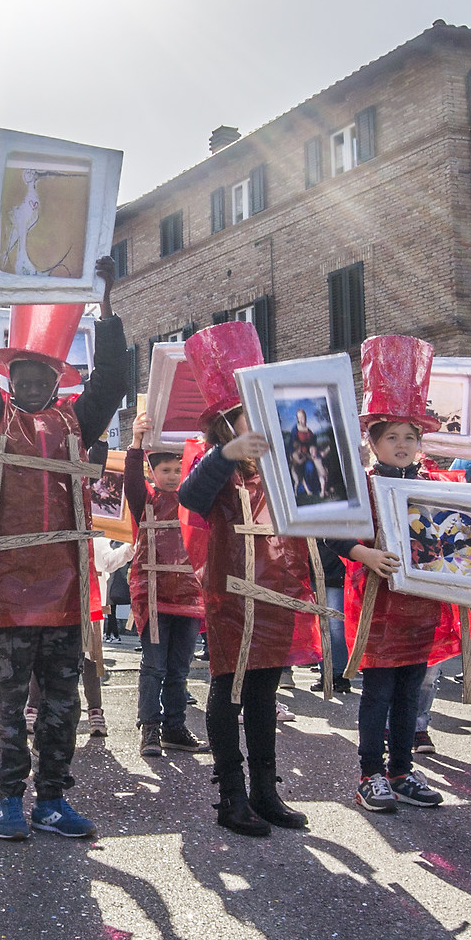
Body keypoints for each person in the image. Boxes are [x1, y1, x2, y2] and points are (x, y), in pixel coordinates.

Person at [0, 248, 133, 843]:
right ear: (10, 382)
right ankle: (8, 799)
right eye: (21, 377)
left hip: (66, 587)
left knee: (61, 703)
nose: (30, 384)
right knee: (8, 705)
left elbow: (113, 379)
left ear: (59, 382)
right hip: (8, 588)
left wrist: (106, 308)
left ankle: (52, 799)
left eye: (42, 377)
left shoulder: (80, 424)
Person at [173, 321, 325, 835]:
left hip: (278, 593)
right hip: (232, 596)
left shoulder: (293, 465)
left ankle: (265, 792)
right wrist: (225, 456)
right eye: (246, 418)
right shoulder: (216, 464)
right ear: (225, 426)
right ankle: (230, 796)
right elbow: (190, 498)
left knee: (264, 693)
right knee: (230, 687)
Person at [326, 336, 458, 814]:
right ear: (374, 442)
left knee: (410, 690)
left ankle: (402, 770)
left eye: (410, 437)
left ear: (422, 444)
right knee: (378, 692)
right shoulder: (360, 484)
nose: (402, 446)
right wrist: (366, 554)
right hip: (378, 603)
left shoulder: (436, 487)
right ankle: (371, 774)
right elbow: (334, 537)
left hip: (422, 604)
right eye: (391, 438)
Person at [124, 414, 203, 757]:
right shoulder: (148, 501)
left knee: (179, 669)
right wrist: (136, 444)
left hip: (189, 596)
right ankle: (150, 730)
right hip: (153, 596)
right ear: (153, 474)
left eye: (177, 469)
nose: (172, 475)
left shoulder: (195, 503)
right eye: (166, 470)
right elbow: (130, 482)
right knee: (154, 666)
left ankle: (174, 726)